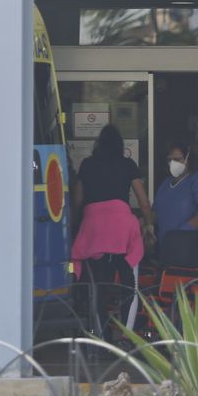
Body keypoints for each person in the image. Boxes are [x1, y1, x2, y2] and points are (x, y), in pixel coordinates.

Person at [70, 125, 151, 327]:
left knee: (97, 286)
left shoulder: (87, 165)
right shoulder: (127, 164)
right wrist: (149, 224)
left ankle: (102, 336)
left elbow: (78, 201)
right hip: (123, 227)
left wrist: (73, 227)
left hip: (94, 227)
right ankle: (127, 334)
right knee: (129, 283)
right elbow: (143, 201)